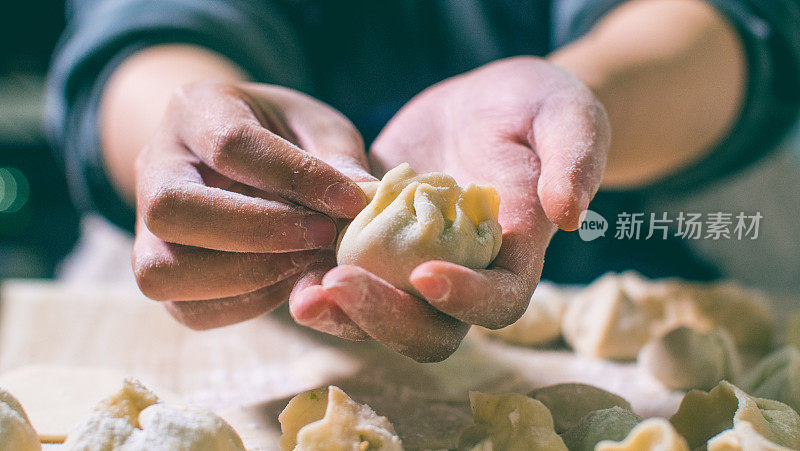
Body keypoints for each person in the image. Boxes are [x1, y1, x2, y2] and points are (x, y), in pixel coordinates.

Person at [47, 0, 800, 362]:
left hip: (628, 254)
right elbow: (144, 36)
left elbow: (736, 29)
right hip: (223, 300)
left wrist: (575, 98)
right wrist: (197, 132)